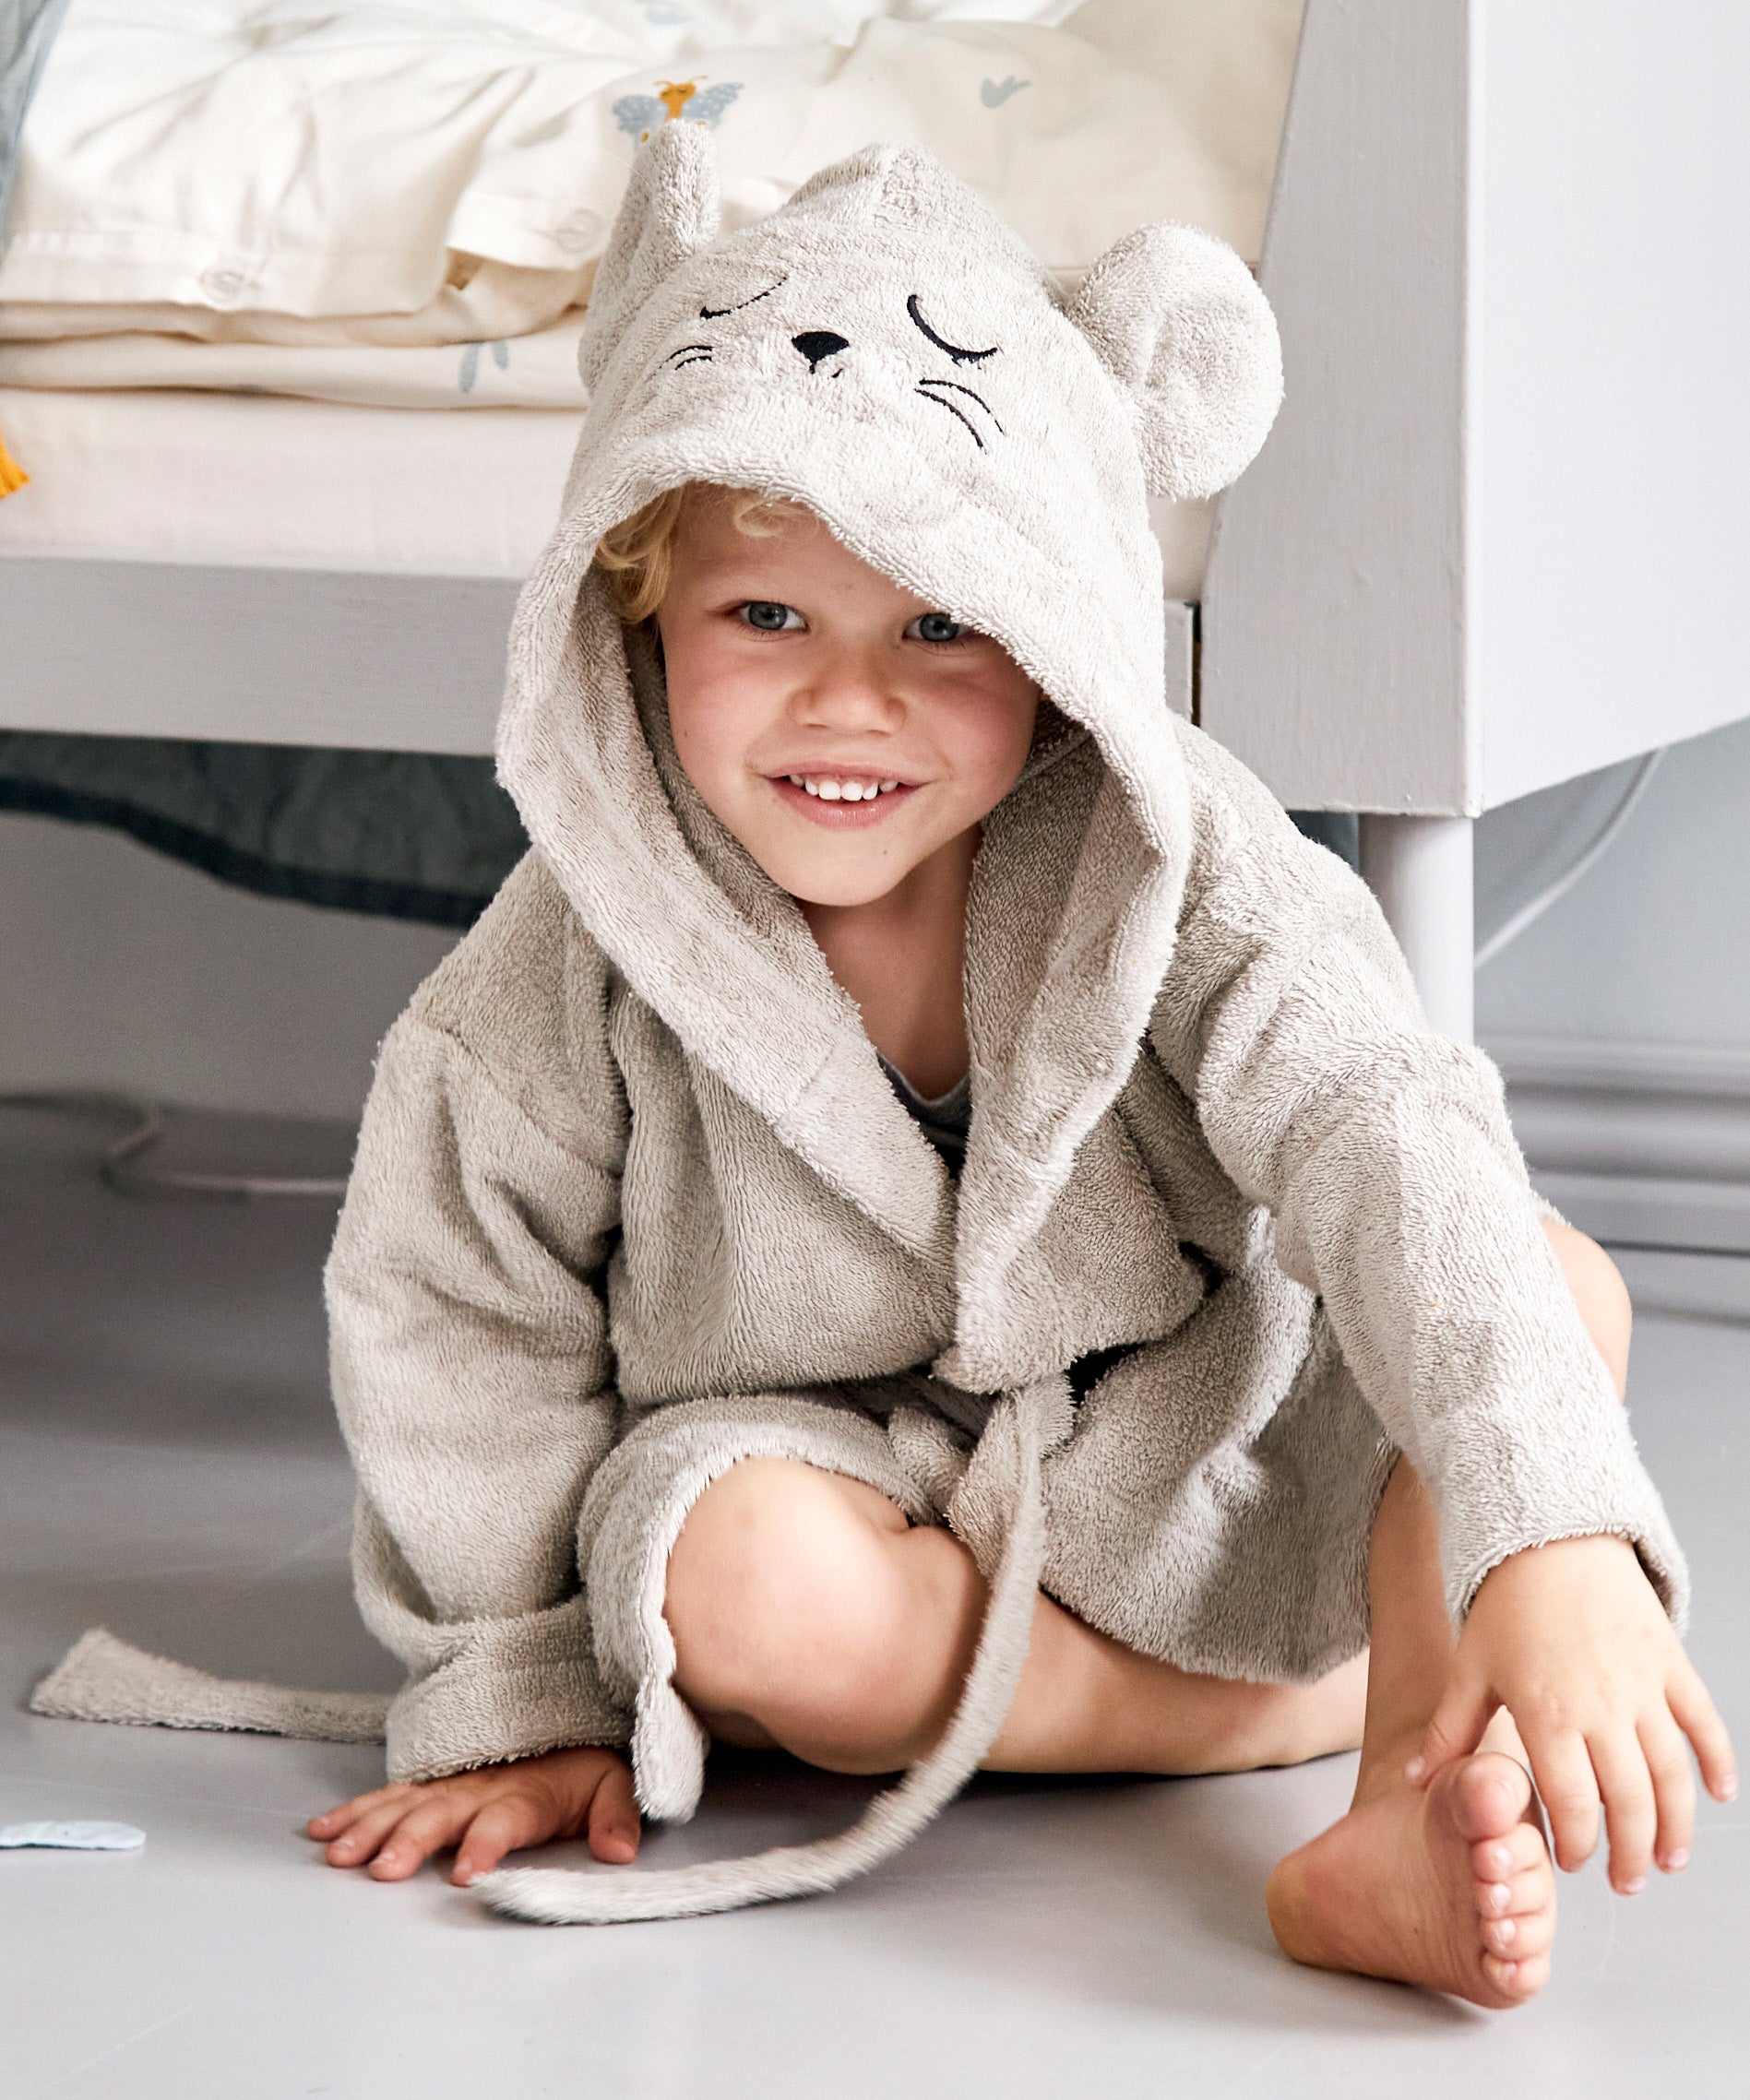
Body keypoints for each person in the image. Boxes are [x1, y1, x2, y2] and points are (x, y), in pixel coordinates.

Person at [307, 131, 1734, 1999]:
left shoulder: (1181, 859)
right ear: (634, 604)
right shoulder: (576, 941)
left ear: (1061, 633)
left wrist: (1547, 1526)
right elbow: (456, 1306)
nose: (848, 700)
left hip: (1178, 1432)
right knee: (727, 1578)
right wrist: (518, 1686)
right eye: (764, 615)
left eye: (940, 627)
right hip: (840, 1485)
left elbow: (1379, 1119)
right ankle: (1312, 1692)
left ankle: (1391, 1795)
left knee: (1544, 1284)